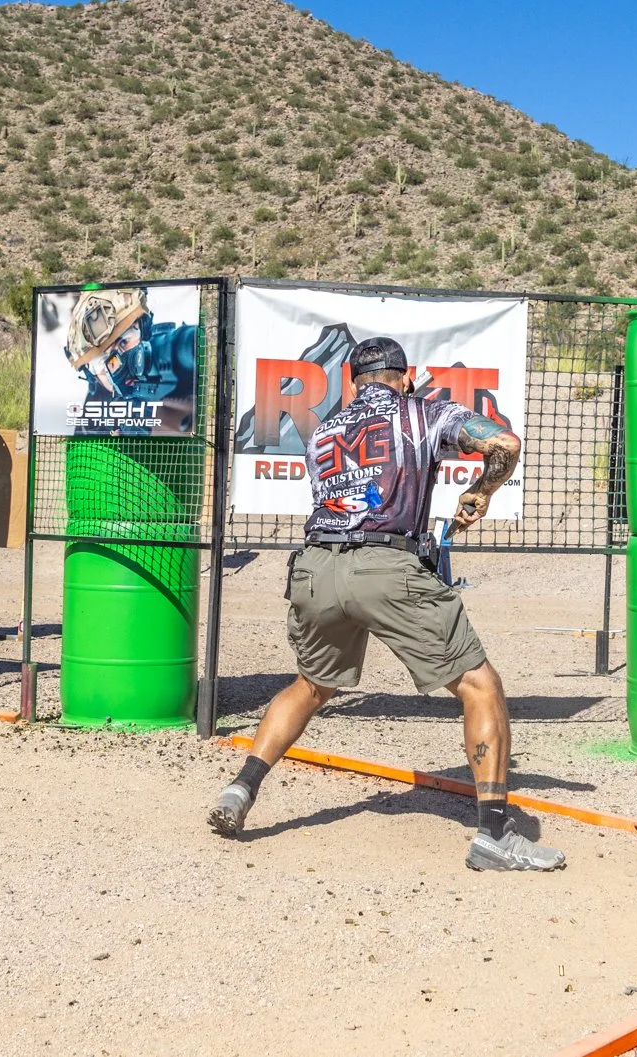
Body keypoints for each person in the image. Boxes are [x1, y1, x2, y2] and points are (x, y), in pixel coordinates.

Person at [208, 336, 565, 872]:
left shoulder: (325, 429)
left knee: (312, 685)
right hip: (387, 566)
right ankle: (495, 834)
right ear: (408, 376)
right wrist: (482, 492)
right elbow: (504, 444)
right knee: (480, 685)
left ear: (353, 383)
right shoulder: (424, 413)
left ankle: (240, 788)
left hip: (316, 568)